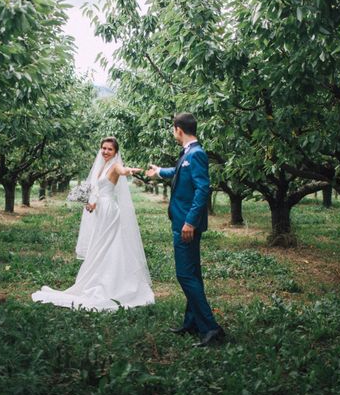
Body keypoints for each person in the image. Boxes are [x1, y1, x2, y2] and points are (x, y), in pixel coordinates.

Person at [32, 137, 155, 311]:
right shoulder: (101, 166)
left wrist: (130, 170)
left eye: (109, 149)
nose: (105, 151)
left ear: (115, 152)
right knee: (99, 245)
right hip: (99, 210)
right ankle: (98, 278)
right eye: (103, 148)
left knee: (109, 244)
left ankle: (113, 282)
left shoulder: (114, 166)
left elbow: (122, 170)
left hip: (109, 211)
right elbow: (97, 190)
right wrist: (91, 203)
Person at [146, 113, 225, 347]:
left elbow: (202, 189)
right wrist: (160, 171)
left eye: (173, 129)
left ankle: (211, 328)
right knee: (193, 273)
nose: (173, 133)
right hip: (181, 221)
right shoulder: (190, 152)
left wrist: (190, 222)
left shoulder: (197, 153)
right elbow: (181, 172)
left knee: (184, 275)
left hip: (186, 225)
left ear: (178, 129)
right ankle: (192, 321)